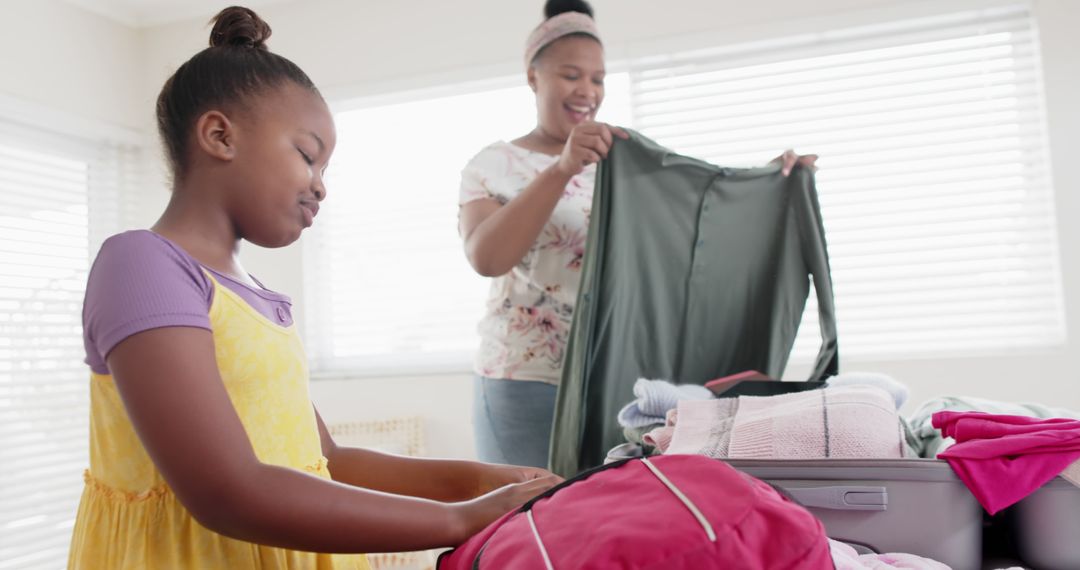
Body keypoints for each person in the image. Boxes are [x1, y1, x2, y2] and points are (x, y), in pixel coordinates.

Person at [68, 7, 559, 569]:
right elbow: (226, 491)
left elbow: (325, 458)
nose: (320, 187)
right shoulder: (142, 265)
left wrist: (480, 481)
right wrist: (459, 519)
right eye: (307, 155)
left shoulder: (249, 295)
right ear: (219, 135)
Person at [458, 0, 818, 468]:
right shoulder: (494, 164)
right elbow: (487, 257)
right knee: (521, 519)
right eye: (571, 75)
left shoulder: (618, 165)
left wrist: (768, 185)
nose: (586, 90)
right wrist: (563, 168)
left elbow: (688, 228)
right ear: (534, 77)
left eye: (597, 78)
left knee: (602, 524)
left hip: (611, 376)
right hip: (526, 379)